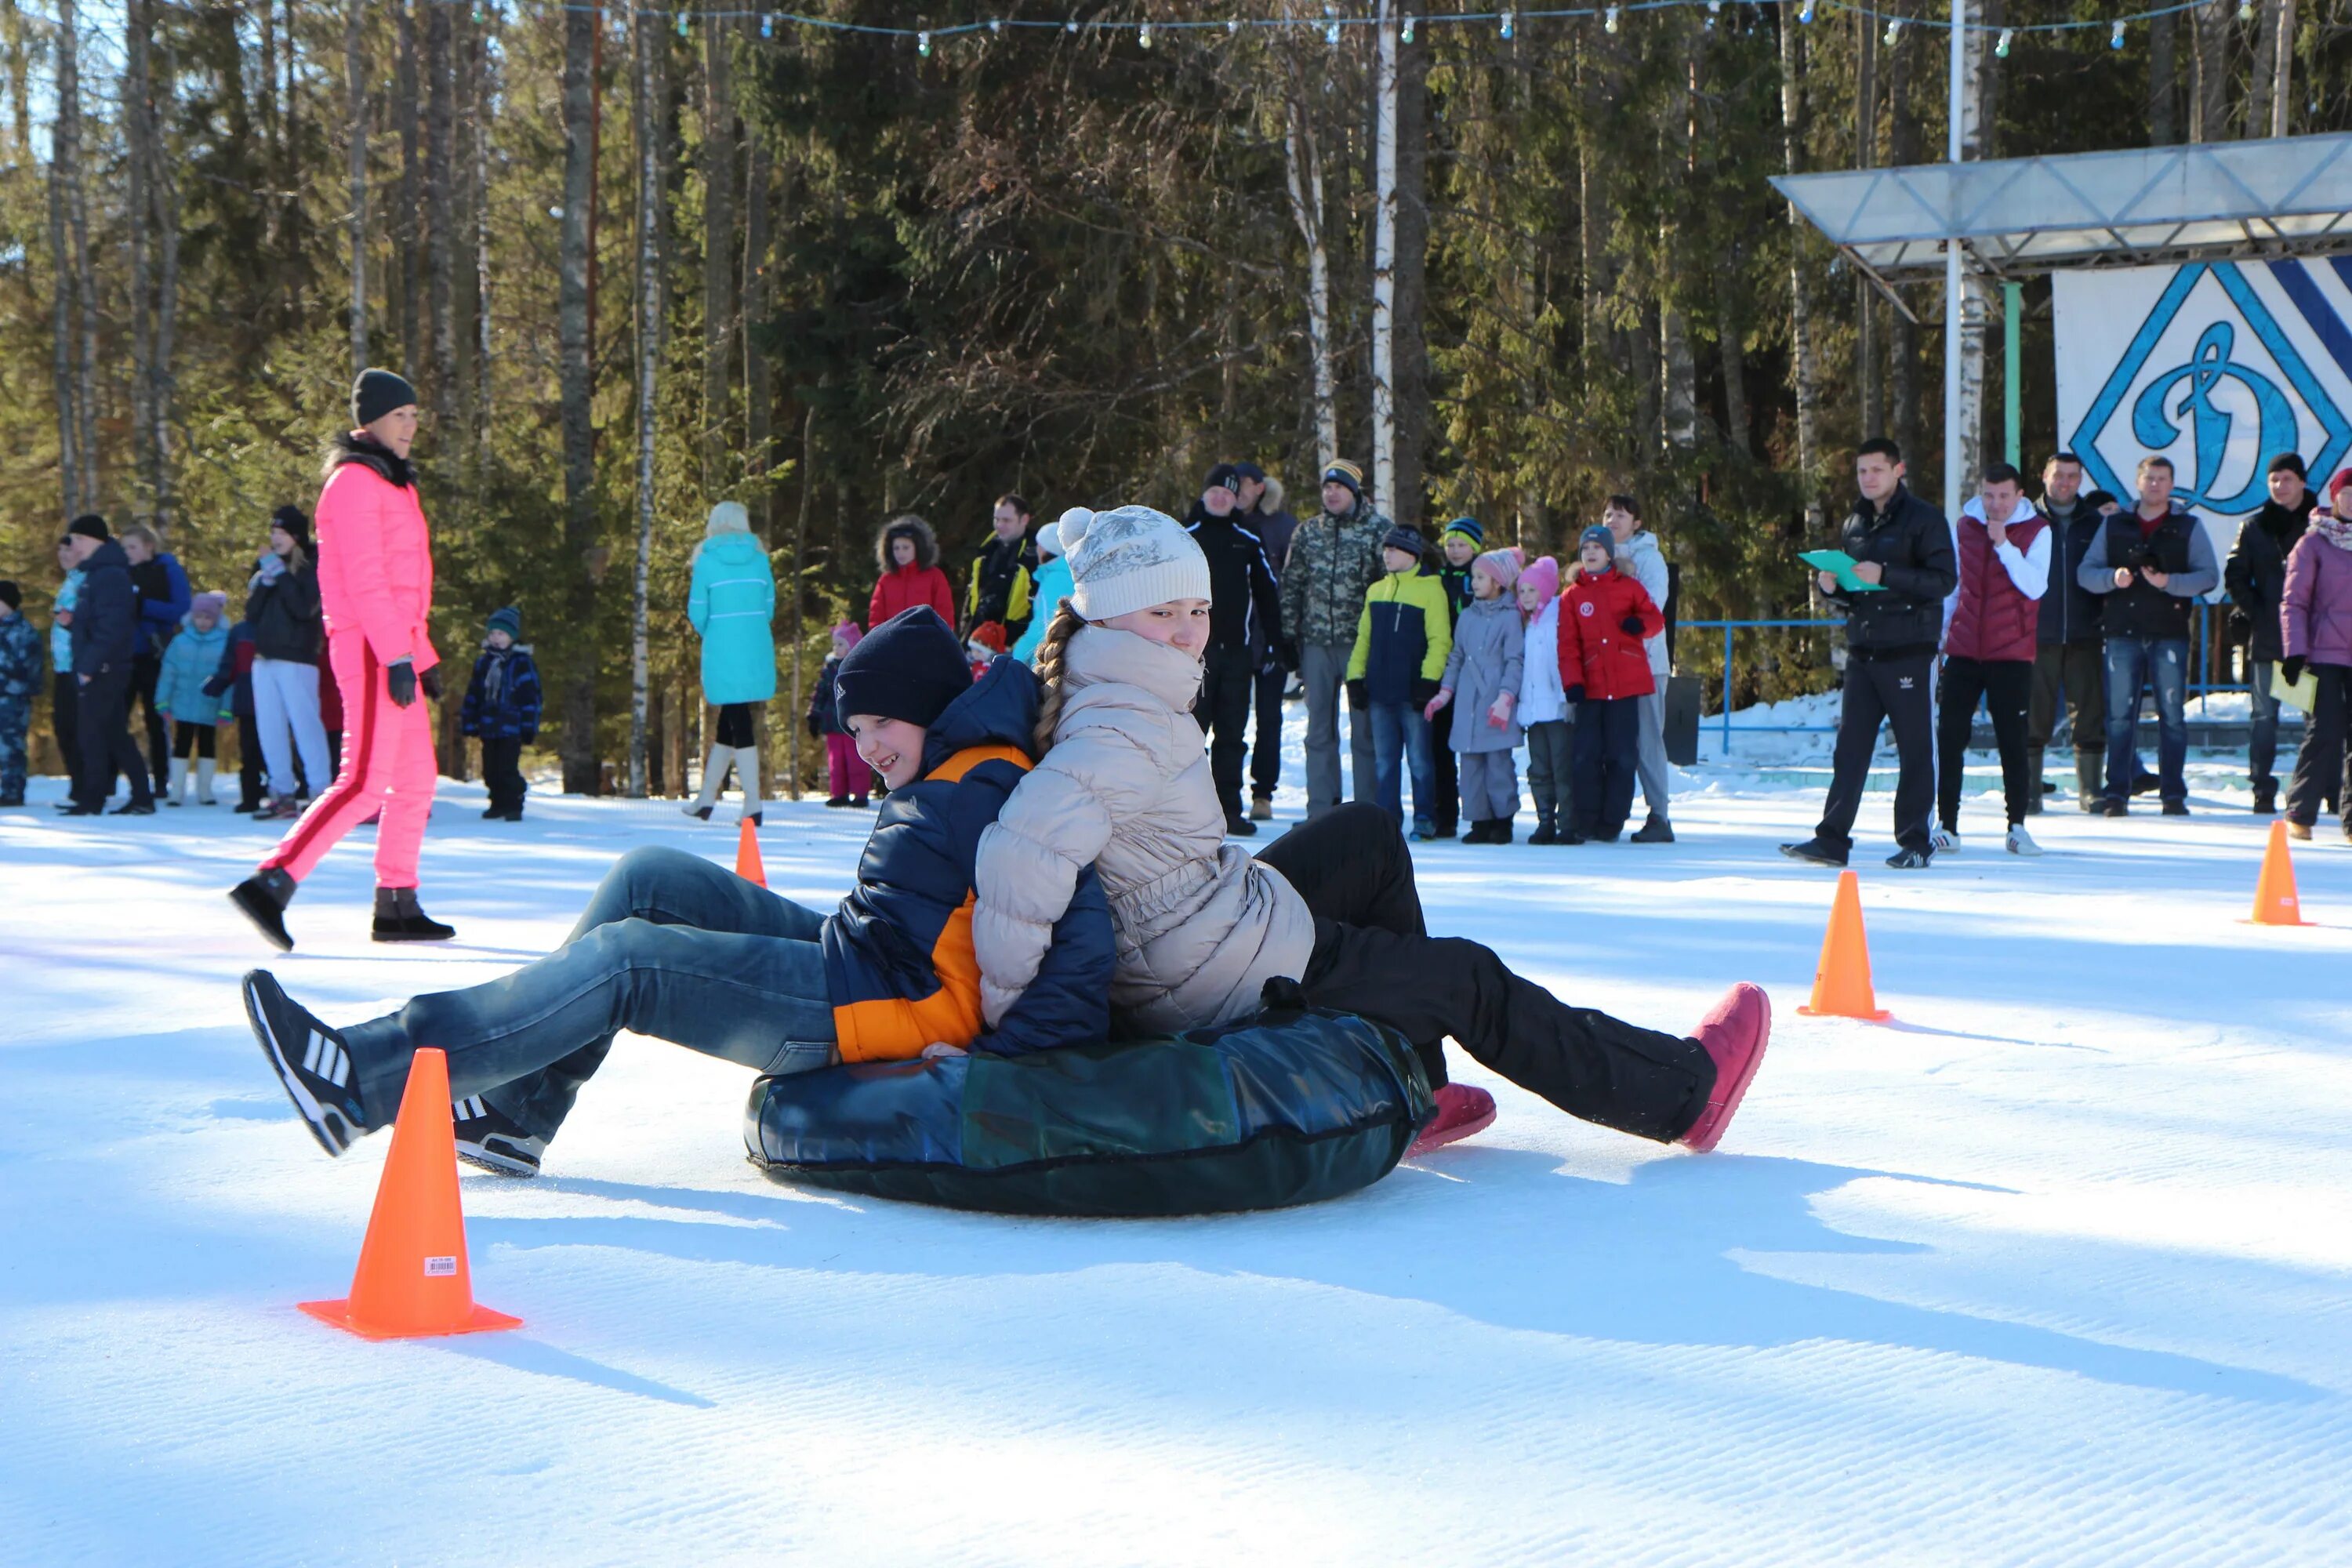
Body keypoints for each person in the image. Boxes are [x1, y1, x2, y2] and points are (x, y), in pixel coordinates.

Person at [971, 504, 1772, 1165]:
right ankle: (1682, 1091)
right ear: (1106, 614)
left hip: (1209, 916)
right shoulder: (1120, 724)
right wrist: (1021, 1038)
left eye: (1197, 610)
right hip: (1216, 975)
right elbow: (1021, 857)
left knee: (1366, 833)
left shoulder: (1116, 682)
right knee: (1468, 976)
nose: (1189, 632)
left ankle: (1412, 1083)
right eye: (1164, 613)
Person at [239, 605, 1115, 1176]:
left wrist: (1000, 1065)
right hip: (861, 958)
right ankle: (515, 1112)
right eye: (857, 729)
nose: (871, 747)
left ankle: (365, 1073)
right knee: (648, 877)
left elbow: (1082, 933)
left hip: (888, 1008)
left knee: (631, 964)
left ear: (928, 704)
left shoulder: (994, 788)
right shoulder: (955, 765)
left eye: (881, 723)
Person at [228, 368, 453, 950]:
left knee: (416, 781)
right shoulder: (353, 482)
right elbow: (366, 580)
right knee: (363, 781)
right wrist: (398, 654)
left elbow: (406, 586)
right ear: (370, 421)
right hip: (372, 646)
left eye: (413, 415)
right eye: (400, 415)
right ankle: (271, 882)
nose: (411, 426)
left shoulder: (395, 482)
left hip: (395, 646)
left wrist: (422, 657)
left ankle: (397, 903)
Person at [1782, 439, 1957, 869]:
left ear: (1898, 470)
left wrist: (1888, 573)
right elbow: (1858, 591)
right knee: (1851, 749)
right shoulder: (1855, 522)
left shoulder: (1925, 519)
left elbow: (1944, 581)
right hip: (1864, 650)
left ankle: (1917, 841)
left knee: (1916, 749)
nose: (1868, 479)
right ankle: (1832, 839)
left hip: (1910, 651)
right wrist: (1833, 589)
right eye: (1862, 471)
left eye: (1876, 470)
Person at [2078, 455, 2218, 818]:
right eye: (2149, 478)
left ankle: (2172, 793)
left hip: (2169, 633)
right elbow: (2085, 573)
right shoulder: (2114, 525)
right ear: (2138, 483)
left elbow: (2208, 576)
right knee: (2120, 717)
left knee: (2172, 716)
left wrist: (2168, 583)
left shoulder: (2188, 526)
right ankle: (2117, 793)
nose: (2155, 484)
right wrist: (2114, 578)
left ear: (2172, 485)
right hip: (2121, 632)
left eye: (2162, 479)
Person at [1933, 464, 2049, 857]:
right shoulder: (1964, 528)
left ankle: (2017, 825)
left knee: (2012, 742)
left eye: (2003, 496)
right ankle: (1946, 825)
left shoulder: (2038, 531)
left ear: (2020, 496)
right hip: (1964, 649)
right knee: (1949, 738)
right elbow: (1954, 588)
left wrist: (2004, 545)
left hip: (2011, 654)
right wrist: (1942, 641)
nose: (1995, 504)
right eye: (1988, 495)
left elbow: (2035, 586)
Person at [1279, 460, 1388, 818]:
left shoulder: (1378, 531)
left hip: (1362, 646)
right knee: (1318, 733)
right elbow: (1292, 584)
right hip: (1316, 644)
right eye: (1327, 487)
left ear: (1354, 491)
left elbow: (1388, 590)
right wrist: (1288, 636)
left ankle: (1366, 813)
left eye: (1339, 487)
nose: (1331, 493)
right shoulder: (1308, 532)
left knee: (1364, 733)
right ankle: (1321, 812)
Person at [1182, 463, 1285, 837]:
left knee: (1232, 735)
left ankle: (1228, 808)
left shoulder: (1248, 537)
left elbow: (1267, 594)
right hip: (1192, 655)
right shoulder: (1185, 537)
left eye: (1227, 494)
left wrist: (1276, 641)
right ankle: (1189, 811)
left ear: (1234, 500)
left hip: (1236, 655)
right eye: (1215, 493)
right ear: (1204, 495)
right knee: (1191, 734)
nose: (1220, 499)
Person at [1558, 527, 1664, 844]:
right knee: (1586, 755)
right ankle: (1587, 820)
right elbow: (1567, 645)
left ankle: (1612, 821)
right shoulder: (1572, 595)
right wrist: (1573, 682)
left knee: (1622, 756)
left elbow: (1655, 619)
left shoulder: (1629, 587)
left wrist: (1640, 624)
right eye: (1585, 548)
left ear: (1608, 553)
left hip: (1626, 685)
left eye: (1596, 547)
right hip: (1589, 688)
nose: (1590, 553)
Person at [1348, 526, 1454, 840]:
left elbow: (1440, 640)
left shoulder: (1431, 589)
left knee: (1420, 760)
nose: (1387, 554)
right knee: (1384, 761)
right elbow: (1363, 638)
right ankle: (1388, 820)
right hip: (1380, 691)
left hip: (1413, 693)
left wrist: (1428, 681)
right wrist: (1355, 677)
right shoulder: (1376, 590)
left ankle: (1424, 816)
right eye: (1385, 549)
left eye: (1394, 549)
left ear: (1412, 554)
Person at [2225, 453, 2315, 816]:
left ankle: (2320, 788)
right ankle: (2262, 788)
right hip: (2267, 637)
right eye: (2274, 480)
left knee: (2317, 718)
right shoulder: (2253, 527)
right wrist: (2256, 611)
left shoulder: (2320, 525)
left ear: (2302, 482)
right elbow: (2235, 574)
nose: (2281, 486)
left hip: (2310, 638)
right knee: (2264, 717)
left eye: (2288, 479)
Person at [682, 501, 776, 826]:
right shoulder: (760, 559)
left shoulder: (706, 561)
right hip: (755, 645)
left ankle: (753, 803)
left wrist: (717, 632)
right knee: (731, 717)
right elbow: (769, 605)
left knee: (738, 719)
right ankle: (706, 799)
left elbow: (697, 610)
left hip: (722, 646)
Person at [2028, 452, 2111, 812]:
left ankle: (2090, 790)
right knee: (2033, 714)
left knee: (2090, 714)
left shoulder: (2096, 522)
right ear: (2044, 476)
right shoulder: (2024, 519)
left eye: (2072, 477)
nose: (2064, 482)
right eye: (2058, 475)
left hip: (2085, 632)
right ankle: (2028, 791)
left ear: (2081, 481)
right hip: (2035, 633)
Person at [59, 515, 154, 816]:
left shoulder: (108, 575)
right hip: (102, 665)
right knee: (113, 733)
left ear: (90, 540)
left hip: (104, 668)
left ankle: (93, 798)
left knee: (91, 734)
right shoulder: (98, 573)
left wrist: (88, 665)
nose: (72, 546)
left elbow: (111, 628)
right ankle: (141, 797)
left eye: (75, 539)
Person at [1427, 547, 1523, 843]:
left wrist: (1506, 697)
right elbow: (1457, 656)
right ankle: (1478, 820)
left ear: (1498, 582)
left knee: (1497, 766)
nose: (1474, 582)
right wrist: (1445, 692)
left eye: (1481, 577)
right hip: (1467, 701)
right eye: (1474, 577)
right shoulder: (1468, 616)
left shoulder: (1510, 618)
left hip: (1494, 700)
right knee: (1470, 768)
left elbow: (1515, 660)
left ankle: (1502, 820)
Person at [245, 505, 331, 821]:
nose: (275, 538)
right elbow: (251, 615)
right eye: (273, 532)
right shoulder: (267, 566)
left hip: (297, 657)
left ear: (296, 536)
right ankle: (282, 792)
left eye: (282, 533)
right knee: (270, 728)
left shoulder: (310, 565)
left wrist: (280, 576)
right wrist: (264, 583)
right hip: (265, 657)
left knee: (305, 725)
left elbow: (303, 608)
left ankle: (320, 790)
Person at [2280, 471, 2352, 842]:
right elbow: (2294, 601)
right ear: (2335, 498)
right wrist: (2295, 652)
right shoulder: (2314, 543)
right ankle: (2301, 810)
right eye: (2348, 494)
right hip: (2325, 653)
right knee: (2325, 730)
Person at [1602, 495, 1677, 843]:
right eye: (1607, 514)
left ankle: (1658, 814)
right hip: (1605, 666)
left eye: (1620, 514)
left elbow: (1651, 610)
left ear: (1636, 522)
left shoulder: (1649, 558)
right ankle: (1606, 812)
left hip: (1645, 663)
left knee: (1648, 740)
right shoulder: (1596, 556)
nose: (1612, 520)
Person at [1235, 464, 1298, 821]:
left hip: (1272, 637)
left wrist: (1286, 635)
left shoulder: (1285, 527)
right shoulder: (1225, 522)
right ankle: (1223, 793)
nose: (1239, 492)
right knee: (1231, 718)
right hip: (1234, 638)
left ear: (1259, 488)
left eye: (1244, 485)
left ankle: (1263, 794)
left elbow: (1293, 583)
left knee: (1270, 719)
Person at [118, 522, 189, 799]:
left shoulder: (167, 569)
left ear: (149, 546)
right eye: (124, 548)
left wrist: (143, 606)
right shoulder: (123, 573)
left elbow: (181, 610)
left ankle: (161, 779)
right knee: (117, 718)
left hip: (155, 654)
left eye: (133, 547)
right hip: (124, 655)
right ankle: (112, 777)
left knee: (155, 718)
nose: (128, 553)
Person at [1425, 517, 1483, 838]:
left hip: (1475, 670)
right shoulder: (1436, 579)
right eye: (1450, 544)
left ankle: (1482, 813)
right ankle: (1444, 814)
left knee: (1476, 747)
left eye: (1462, 545)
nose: (1455, 551)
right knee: (1441, 747)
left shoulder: (1482, 576)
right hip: (1444, 670)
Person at [460, 605, 540, 822]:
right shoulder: (484, 663)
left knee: (507, 768)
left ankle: (513, 803)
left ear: (512, 637)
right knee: (491, 769)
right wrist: (469, 721)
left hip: (511, 726)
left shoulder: (521, 663)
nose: (496, 638)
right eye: (493, 633)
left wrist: (528, 726)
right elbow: (474, 693)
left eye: (501, 634)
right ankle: (497, 803)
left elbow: (530, 697)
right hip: (488, 725)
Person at [1515, 556, 1573, 844]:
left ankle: (1568, 823)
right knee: (1539, 767)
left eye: (1532, 590)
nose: (1526, 596)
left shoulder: (1559, 614)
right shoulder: (1526, 624)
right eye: (1522, 590)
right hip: (1533, 709)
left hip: (1558, 706)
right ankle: (1545, 820)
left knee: (1563, 766)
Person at [155, 591, 232, 807]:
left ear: (216, 619)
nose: (203, 622)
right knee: (182, 744)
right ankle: (177, 790)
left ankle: (205, 791)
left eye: (208, 618)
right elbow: (168, 673)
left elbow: (228, 678)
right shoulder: (180, 642)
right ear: (192, 617)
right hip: (183, 705)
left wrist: (226, 708)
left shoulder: (224, 643)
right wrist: (163, 700)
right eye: (199, 617)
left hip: (210, 705)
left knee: (207, 745)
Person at [204, 615, 267, 812]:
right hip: (247, 701)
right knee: (249, 751)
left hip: (278, 703)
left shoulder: (287, 625)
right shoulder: (240, 631)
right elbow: (230, 664)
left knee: (280, 751)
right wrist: (218, 683)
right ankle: (251, 797)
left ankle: (289, 791)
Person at [808, 620, 867, 807]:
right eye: (835, 644)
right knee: (836, 762)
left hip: (853, 725)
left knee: (856, 759)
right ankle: (838, 793)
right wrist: (814, 715)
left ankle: (860, 793)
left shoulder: (858, 668)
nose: (836, 648)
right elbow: (820, 693)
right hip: (832, 723)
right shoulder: (829, 669)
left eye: (841, 644)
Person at [964, 494, 1038, 644]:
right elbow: (971, 597)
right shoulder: (986, 551)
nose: (999, 525)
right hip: (978, 639)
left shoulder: (1035, 555)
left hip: (1014, 642)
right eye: (997, 519)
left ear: (1024, 519)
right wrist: (965, 636)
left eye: (1006, 520)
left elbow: (1040, 606)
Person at [868, 514, 956, 630]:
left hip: (925, 642)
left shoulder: (935, 577)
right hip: (893, 643)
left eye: (906, 547)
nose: (900, 553)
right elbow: (876, 618)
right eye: (896, 548)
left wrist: (941, 643)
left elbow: (945, 615)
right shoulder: (886, 580)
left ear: (918, 547)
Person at [0, 580, 42, 808]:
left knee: (11, 746)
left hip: (13, 699)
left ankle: (12, 791)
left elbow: (30, 669)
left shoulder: (23, 632)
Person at [48, 537, 84, 804]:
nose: (63, 554)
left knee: (77, 728)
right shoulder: (71, 579)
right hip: (63, 666)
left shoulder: (88, 580)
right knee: (64, 727)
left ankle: (86, 786)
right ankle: (78, 784)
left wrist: (71, 621)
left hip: (81, 666)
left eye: (68, 548)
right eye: (60, 549)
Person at [1011, 519, 1073, 663]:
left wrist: (1018, 657)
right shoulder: (1068, 573)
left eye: (1039, 545)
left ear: (1046, 548)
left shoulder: (1055, 579)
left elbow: (1044, 626)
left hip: (1050, 660)